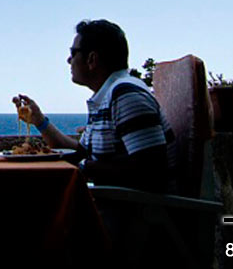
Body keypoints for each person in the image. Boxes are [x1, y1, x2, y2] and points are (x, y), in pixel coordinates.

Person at [12, 20, 176, 193]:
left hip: (136, 208)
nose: (69, 60)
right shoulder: (107, 97)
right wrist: (40, 121)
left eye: (73, 53)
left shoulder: (126, 95)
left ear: (91, 59)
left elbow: (152, 171)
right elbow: (79, 152)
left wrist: (84, 166)